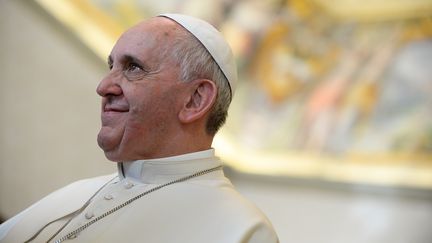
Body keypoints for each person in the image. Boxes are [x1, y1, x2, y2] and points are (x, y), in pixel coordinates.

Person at [0, 14, 278, 243]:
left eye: (133, 67)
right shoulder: (79, 191)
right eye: (111, 66)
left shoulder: (242, 230)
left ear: (195, 100)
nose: (104, 86)